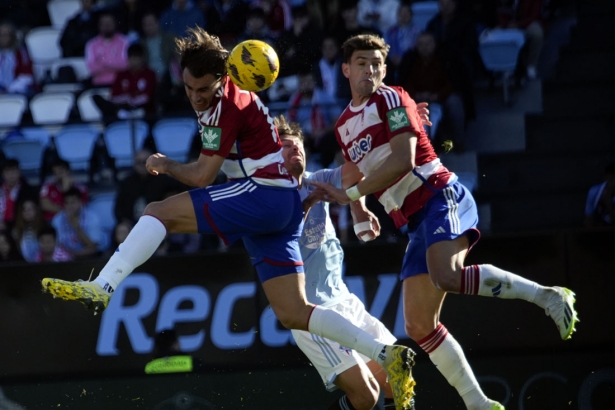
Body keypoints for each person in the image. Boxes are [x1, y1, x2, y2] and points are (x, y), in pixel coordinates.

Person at [40, 27, 417, 410]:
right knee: (293, 313)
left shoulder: (227, 105)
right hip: (279, 208)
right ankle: (386, 353)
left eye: (203, 89)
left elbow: (204, 176)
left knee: (157, 212)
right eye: (189, 88)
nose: (195, 97)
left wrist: (166, 164)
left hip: (264, 196)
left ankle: (102, 287)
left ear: (222, 80)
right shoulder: (220, 99)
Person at [309, 33, 579, 410]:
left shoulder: (391, 98)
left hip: (440, 196)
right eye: (361, 63)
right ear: (345, 69)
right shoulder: (342, 124)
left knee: (447, 276)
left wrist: (353, 197)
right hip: (414, 221)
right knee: (418, 326)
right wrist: (359, 209)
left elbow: (403, 160)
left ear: (384, 69)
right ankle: (478, 403)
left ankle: (547, 295)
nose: (369, 70)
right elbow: (355, 170)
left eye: (375, 63)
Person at [277, 114, 398, 410]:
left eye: (299, 146)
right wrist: (309, 204)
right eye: (286, 147)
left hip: (343, 300)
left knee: (398, 367)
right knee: (366, 397)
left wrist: (401, 129)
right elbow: (284, 239)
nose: (296, 151)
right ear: (270, 158)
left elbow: (361, 169)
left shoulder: (318, 180)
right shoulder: (269, 199)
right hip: (311, 313)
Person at [114, 148, 186, 225]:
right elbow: (118, 208)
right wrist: (124, 221)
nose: (142, 165)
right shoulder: (127, 182)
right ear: (134, 164)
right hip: (132, 224)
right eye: (138, 162)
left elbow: (182, 189)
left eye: (144, 162)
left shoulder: (162, 179)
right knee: (122, 229)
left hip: (158, 223)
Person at [92, 43, 158, 119]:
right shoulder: (121, 75)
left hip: (142, 109)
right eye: (131, 57)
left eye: (136, 58)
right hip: (122, 108)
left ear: (142, 59)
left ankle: (129, 114)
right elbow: (113, 97)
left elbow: (148, 97)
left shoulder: (150, 74)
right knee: (97, 98)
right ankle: (121, 114)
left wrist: (131, 100)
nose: (133, 61)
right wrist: (125, 99)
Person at [51, 187, 102, 259]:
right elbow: (56, 246)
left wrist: (76, 227)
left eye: (73, 202)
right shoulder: (57, 220)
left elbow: (93, 247)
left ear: (80, 202)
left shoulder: (92, 218)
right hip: (64, 259)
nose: (70, 206)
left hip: (87, 257)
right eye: (67, 203)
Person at [85, 12, 130, 87]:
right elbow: (92, 68)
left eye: (109, 23)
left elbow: (126, 65)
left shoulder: (124, 41)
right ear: (99, 25)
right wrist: (114, 64)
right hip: (98, 84)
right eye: (104, 23)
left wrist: (102, 63)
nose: (107, 26)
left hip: (120, 84)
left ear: (115, 24)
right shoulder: (91, 44)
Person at [0, 159, 37, 232]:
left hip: (19, 227)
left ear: (19, 172)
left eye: (14, 171)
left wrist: (7, 225)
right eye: (8, 172)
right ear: (3, 174)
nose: (11, 175)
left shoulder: (28, 190)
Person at [0, 21, 35, 96]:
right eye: (1, 35)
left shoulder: (21, 53)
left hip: (17, 90)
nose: (2, 38)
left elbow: (27, 76)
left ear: (12, 36)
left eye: (5, 35)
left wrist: (9, 90)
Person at [11, 198, 47, 263]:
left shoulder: (45, 228)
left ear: (36, 210)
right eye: (24, 209)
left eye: (30, 209)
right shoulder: (17, 231)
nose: (27, 212)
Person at [584, 162, 615, 228]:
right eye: (610, 179)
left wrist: (608, 202)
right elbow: (588, 218)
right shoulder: (595, 191)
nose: (612, 183)